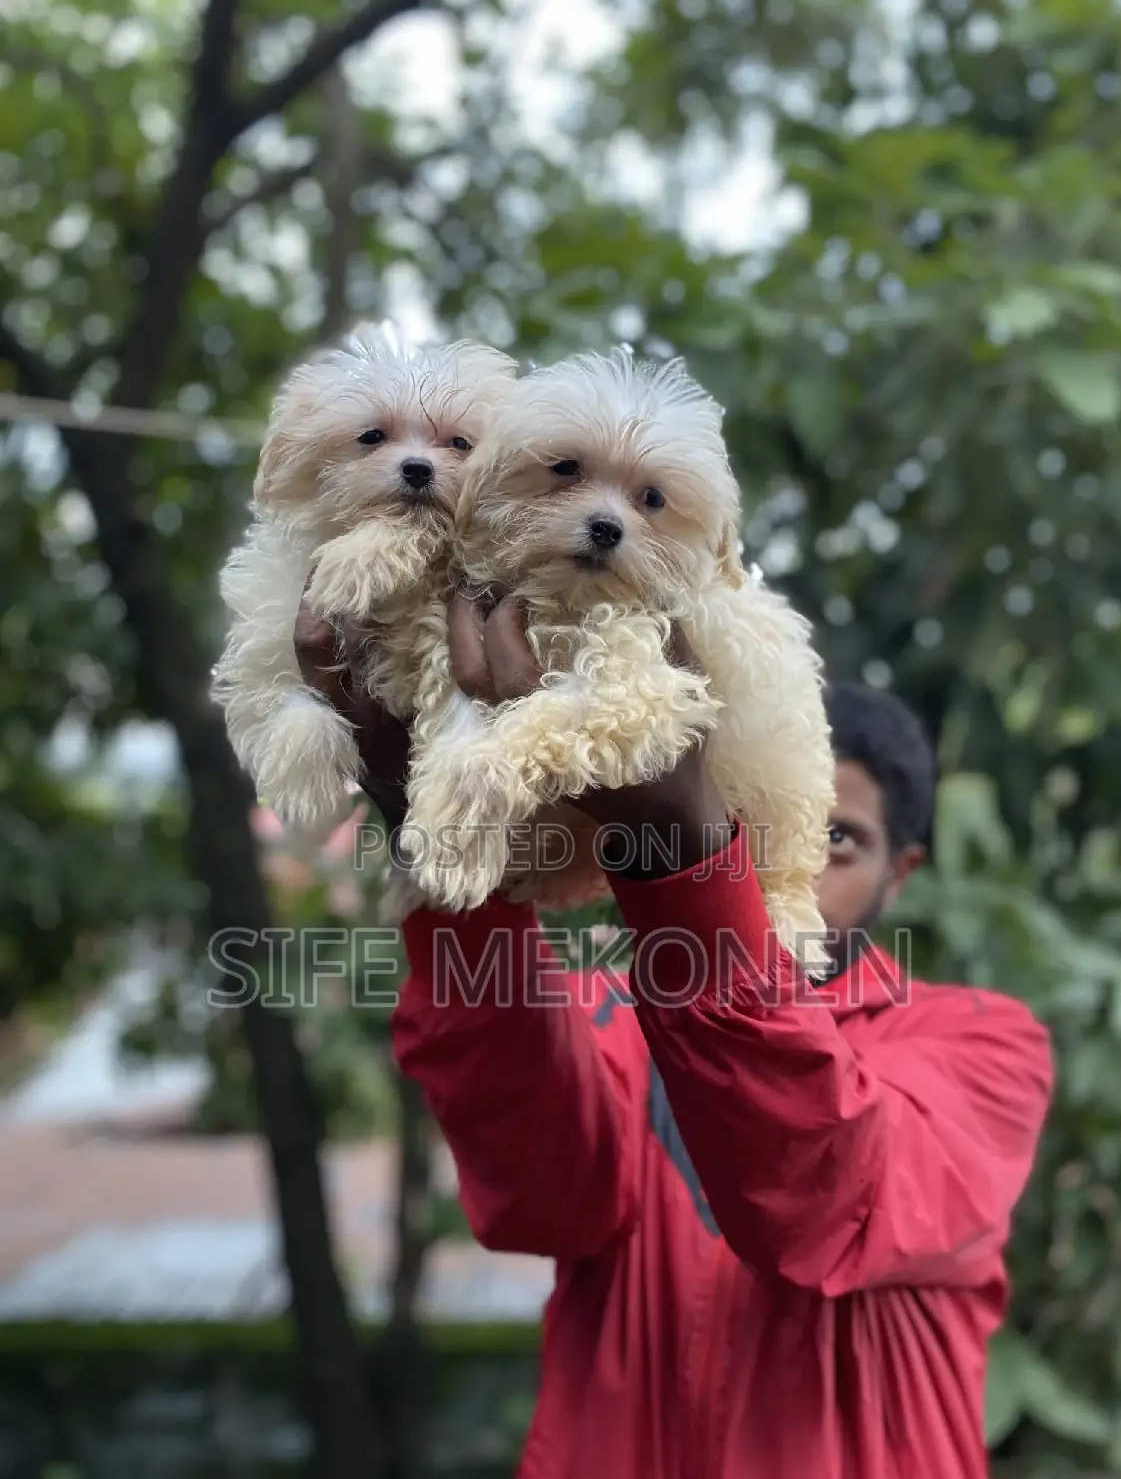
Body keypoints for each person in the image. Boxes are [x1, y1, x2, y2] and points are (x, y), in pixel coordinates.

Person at [295, 591, 1054, 1479]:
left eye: (837, 838)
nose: (789, 862)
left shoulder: (984, 1046)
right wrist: (432, 820)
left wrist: (681, 851)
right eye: (754, 819)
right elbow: (544, 1198)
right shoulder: (598, 1015)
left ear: (902, 874)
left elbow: (828, 1199)